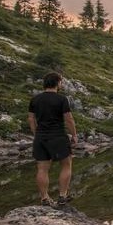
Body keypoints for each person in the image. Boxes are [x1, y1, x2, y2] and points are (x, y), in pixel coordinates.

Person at [28, 72, 78, 206]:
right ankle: (62, 196)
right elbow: (68, 119)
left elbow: (31, 119)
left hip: (40, 137)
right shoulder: (61, 99)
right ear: (57, 83)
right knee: (66, 164)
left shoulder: (35, 99)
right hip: (58, 136)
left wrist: (36, 133)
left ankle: (44, 198)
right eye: (60, 82)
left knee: (42, 168)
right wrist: (74, 134)